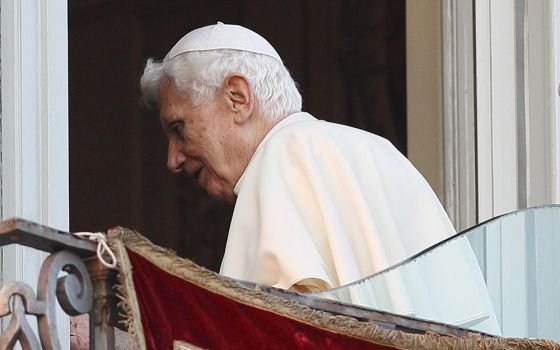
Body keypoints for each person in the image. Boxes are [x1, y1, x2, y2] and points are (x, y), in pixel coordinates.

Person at [140, 22, 501, 334]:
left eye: (178, 127)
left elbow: (270, 329)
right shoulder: (379, 151)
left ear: (238, 97)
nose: (173, 159)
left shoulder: (282, 155)